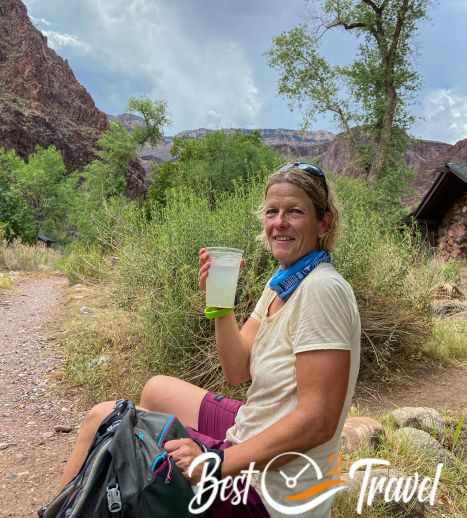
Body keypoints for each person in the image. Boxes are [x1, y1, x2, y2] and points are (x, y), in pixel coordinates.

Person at [59, 163, 361, 517]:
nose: (280, 222)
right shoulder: (284, 281)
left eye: (295, 212)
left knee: (103, 418)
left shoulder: (322, 289)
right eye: (272, 212)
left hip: (272, 490)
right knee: (157, 389)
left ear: (323, 223)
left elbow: (317, 421)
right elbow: (236, 369)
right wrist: (219, 302)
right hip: (253, 427)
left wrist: (215, 461)